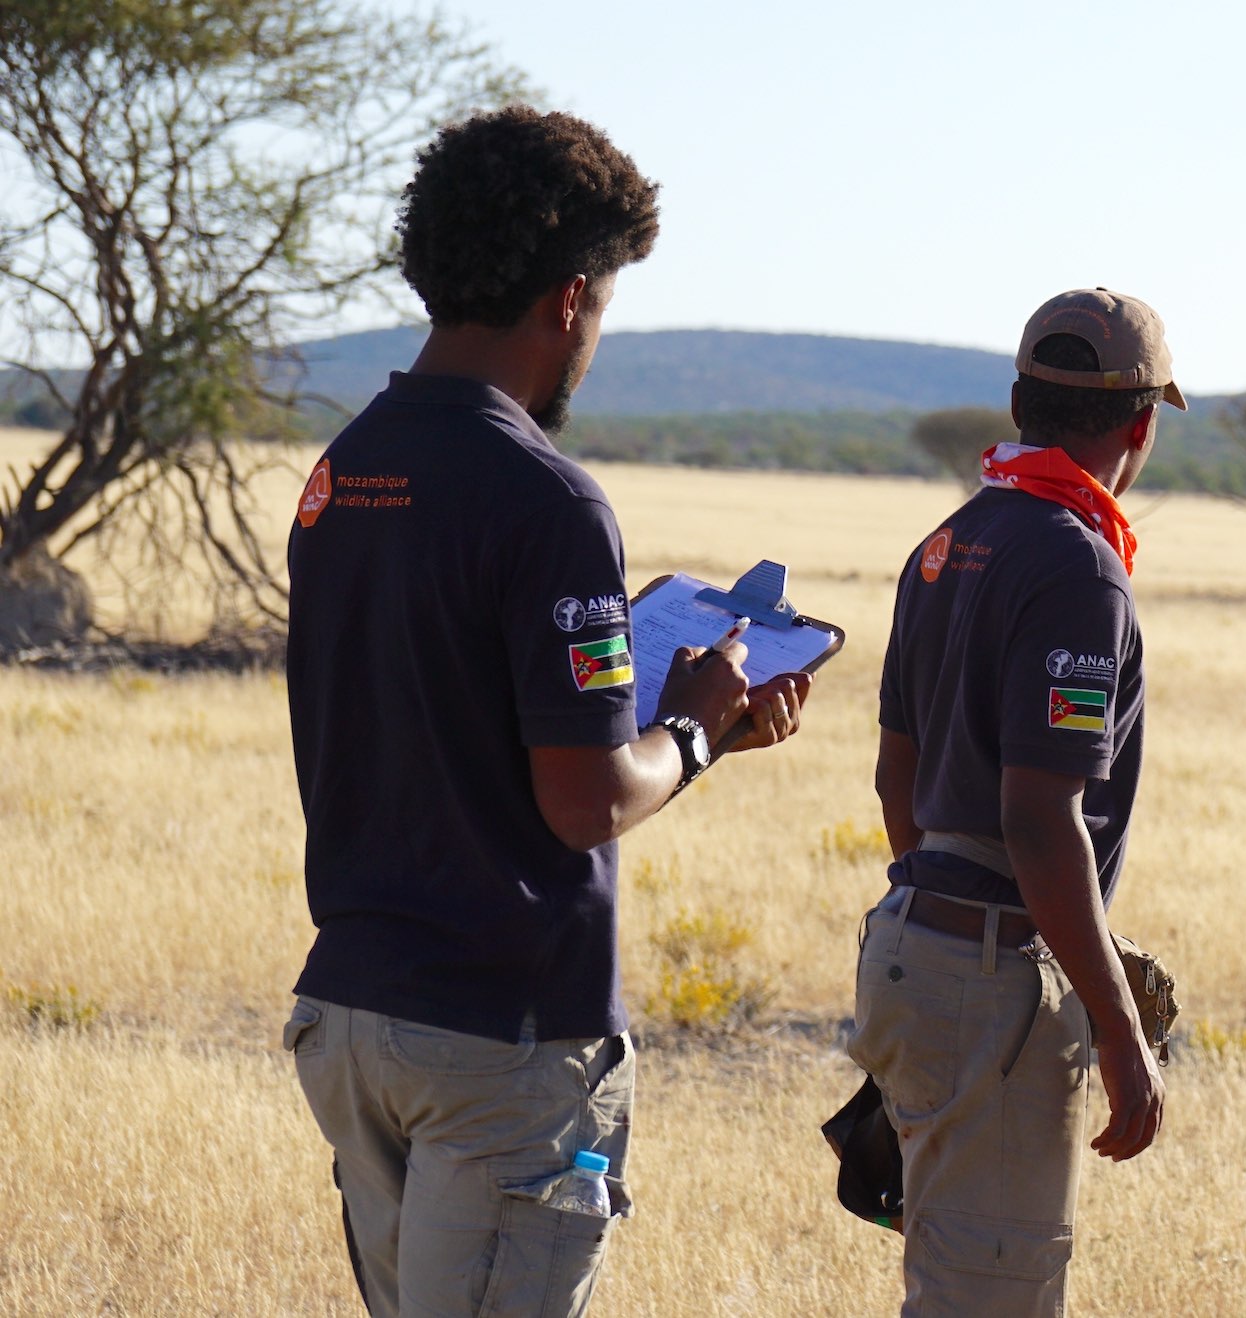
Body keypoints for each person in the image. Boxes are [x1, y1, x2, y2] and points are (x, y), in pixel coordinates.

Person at [278, 107, 812, 1318]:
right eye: (606, 311)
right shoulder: (548, 498)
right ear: (569, 300)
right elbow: (583, 801)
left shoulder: (344, 468)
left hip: (354, 1013)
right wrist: (695, 728)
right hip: (497, 1035)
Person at [854, 288, 1177, 1316]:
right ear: (1143, 423)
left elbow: (896, 780)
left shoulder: (950, 545)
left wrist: (937, 924)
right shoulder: (1080, 567)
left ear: (1017, 403)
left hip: (915, 941)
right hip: (990, 970)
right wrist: (1119, 1032)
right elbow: (1042, 820)